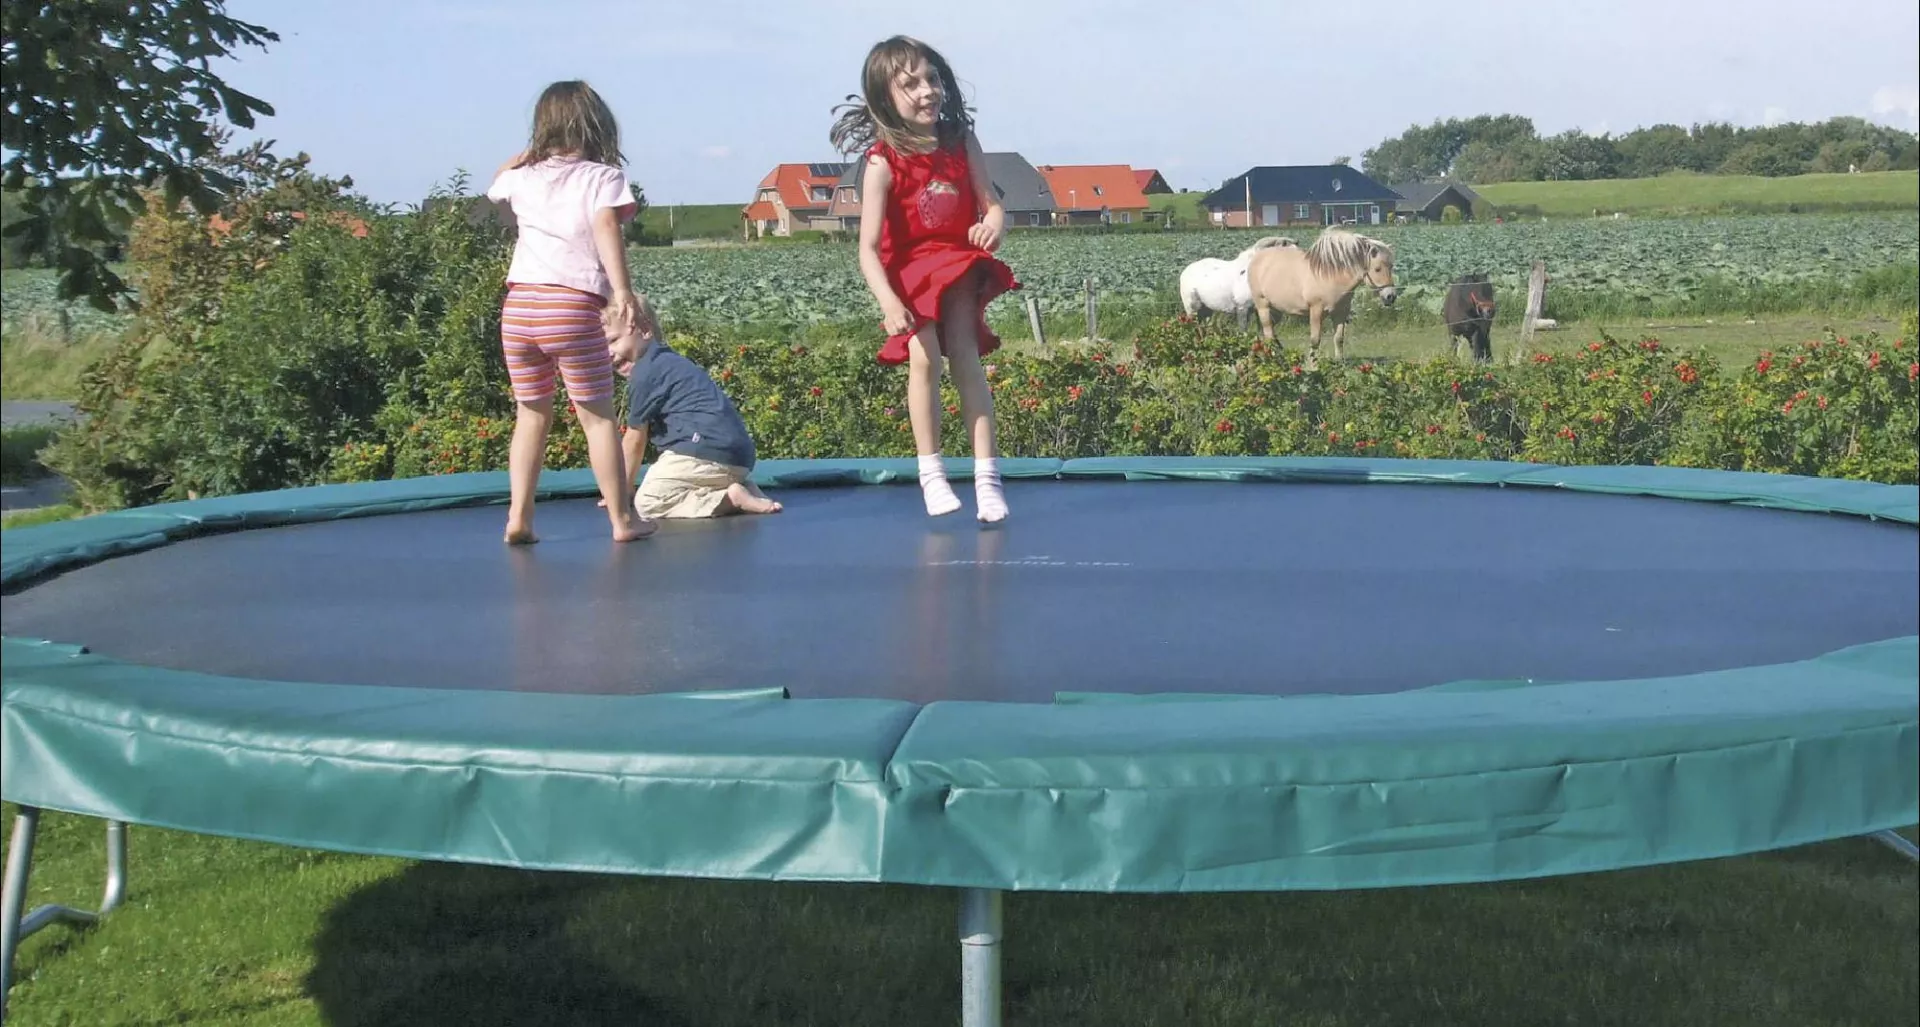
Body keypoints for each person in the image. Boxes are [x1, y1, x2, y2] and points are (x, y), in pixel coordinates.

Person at [831, 35, 1019, 522]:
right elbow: (867, 250)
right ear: (885, 98)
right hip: (910, 274)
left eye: (931, 79)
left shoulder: (961, 142)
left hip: (956, 264)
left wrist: (992, 226)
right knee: (925, 359)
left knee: (967, 360)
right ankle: (931, 473)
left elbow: (993, 205)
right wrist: (888, 303)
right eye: (910, 84)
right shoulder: (882, 163)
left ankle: (987, 479)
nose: (927, 91)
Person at [485, 79, 651, 545]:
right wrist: (623, 291)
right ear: (598, 126)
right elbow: (605, 225)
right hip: (571, 307)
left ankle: (519, 517)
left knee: (530, 415)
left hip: (519, 309)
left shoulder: (524, 176)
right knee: (596, 419)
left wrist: (533, 149)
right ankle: (622, 520)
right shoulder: (602, 178)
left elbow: (497, 179)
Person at [609, 296, 782, 520]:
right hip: (739, 457)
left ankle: (728, 498)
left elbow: (634, 439)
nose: (608, 352)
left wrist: (621, 491)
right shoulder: (669, 361)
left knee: (648, 502)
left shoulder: (645, 373)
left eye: (613, 340)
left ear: (645, 330)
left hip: (703, 452)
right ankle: (742, 486)